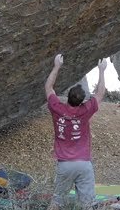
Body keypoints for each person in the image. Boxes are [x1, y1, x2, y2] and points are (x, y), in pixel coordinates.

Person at [44, 54, 106, 209]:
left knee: (56, 202)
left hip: (64, 164)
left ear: (68, 98)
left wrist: (57, 66)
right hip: (84, 164)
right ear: (81, 101)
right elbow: (100, 94)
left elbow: (48, 87)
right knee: (88, 204)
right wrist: (102, 71)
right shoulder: (85, 110)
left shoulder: (56, 108)